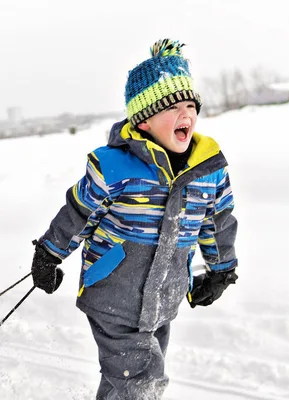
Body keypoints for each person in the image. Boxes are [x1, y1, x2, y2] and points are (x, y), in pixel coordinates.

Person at [29, 38, 238, 399]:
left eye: (191, 105)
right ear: (143, 120)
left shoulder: (208, 170)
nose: (185, 113)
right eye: (172, 107)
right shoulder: (115, 167)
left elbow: (216, 221)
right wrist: (50, 252)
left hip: (165, 297)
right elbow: (80, 211)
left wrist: (221, 269)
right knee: (141, 382)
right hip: (113, 294)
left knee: (122, 382)